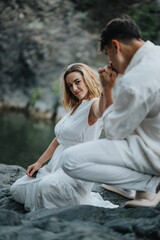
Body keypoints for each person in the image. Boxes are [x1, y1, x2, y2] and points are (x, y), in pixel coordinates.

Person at [61, 16, 160, 208]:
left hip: (154, 153)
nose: (111, 62)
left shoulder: (136, 79)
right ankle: (140, 186)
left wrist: (108, 87)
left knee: (70, 160)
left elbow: (114, 132)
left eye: (108, 55)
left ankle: (150, 184)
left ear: (116, 46)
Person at [10, 63, 118, 211]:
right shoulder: (75, 108)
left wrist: (107, 88)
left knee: (45, 187)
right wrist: (39, 163)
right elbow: (58, 140)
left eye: (77, 82)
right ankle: (51, 187)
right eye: (69, 85)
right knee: (17, 188)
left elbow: (103, 109)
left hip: (77, 170)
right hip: (56, 166)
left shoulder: (93, 105)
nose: (74, 88)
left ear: (87, 79)